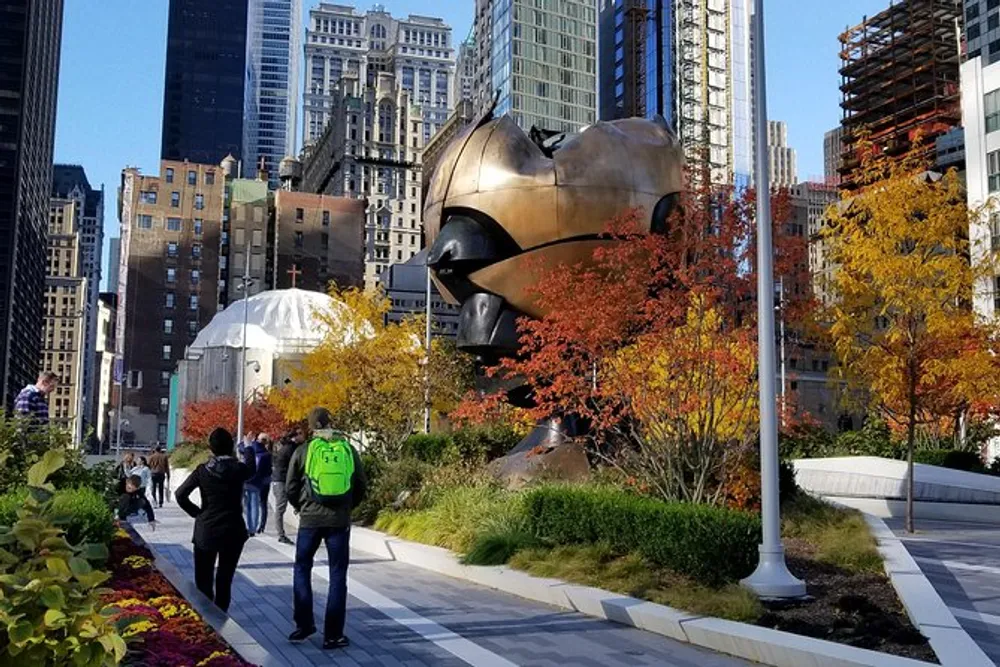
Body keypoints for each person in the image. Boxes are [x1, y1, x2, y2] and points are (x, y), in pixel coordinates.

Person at [286, 407, 367, 650]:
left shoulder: (303, 450)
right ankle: (333, 635)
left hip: (310, 520)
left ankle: (304, 624)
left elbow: (290, 485)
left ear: (310, 427)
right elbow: (361, 485)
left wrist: (300, 506)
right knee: (337, 575)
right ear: (330, 423)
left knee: (302, 568)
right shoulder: (348, 450)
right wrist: (347, 507)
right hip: (339, 522)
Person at [175, 427, 256, 613]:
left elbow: (180, 494)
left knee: (203, 580)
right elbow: (252, 468)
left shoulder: (203, 471)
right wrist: (249, 447)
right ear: (231, 446)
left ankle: (207, 621)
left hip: (207, 530)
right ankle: (221, 619)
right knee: (224, 579)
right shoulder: (239, 469)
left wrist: (198, 514)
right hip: (233, 530)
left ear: (211, 448)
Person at [271, 428, 303, 545]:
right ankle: (281, 534)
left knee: (289, 506)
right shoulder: (290, 449)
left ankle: (284, 534)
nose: (303, 436)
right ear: (296, 436)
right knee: (281, 507)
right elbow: (294, 466)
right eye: (300, 434)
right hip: (282, 481)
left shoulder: (289, 447)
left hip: (282, 480)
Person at [249, 434, 273, 534]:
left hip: (253, 480)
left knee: (253, 503)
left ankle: (251, 525)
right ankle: (261, 526)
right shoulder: (267, 454)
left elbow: (241, 447)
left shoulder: (252, 449)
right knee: (263, 503)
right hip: (265, 481)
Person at [240, 432, 261, 536]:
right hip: (256, 481)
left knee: (248, 505)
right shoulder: (260, 450)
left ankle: (250, 527)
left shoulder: (248, 450)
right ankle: (252, 527)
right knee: (254, 505)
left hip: (247, 480)